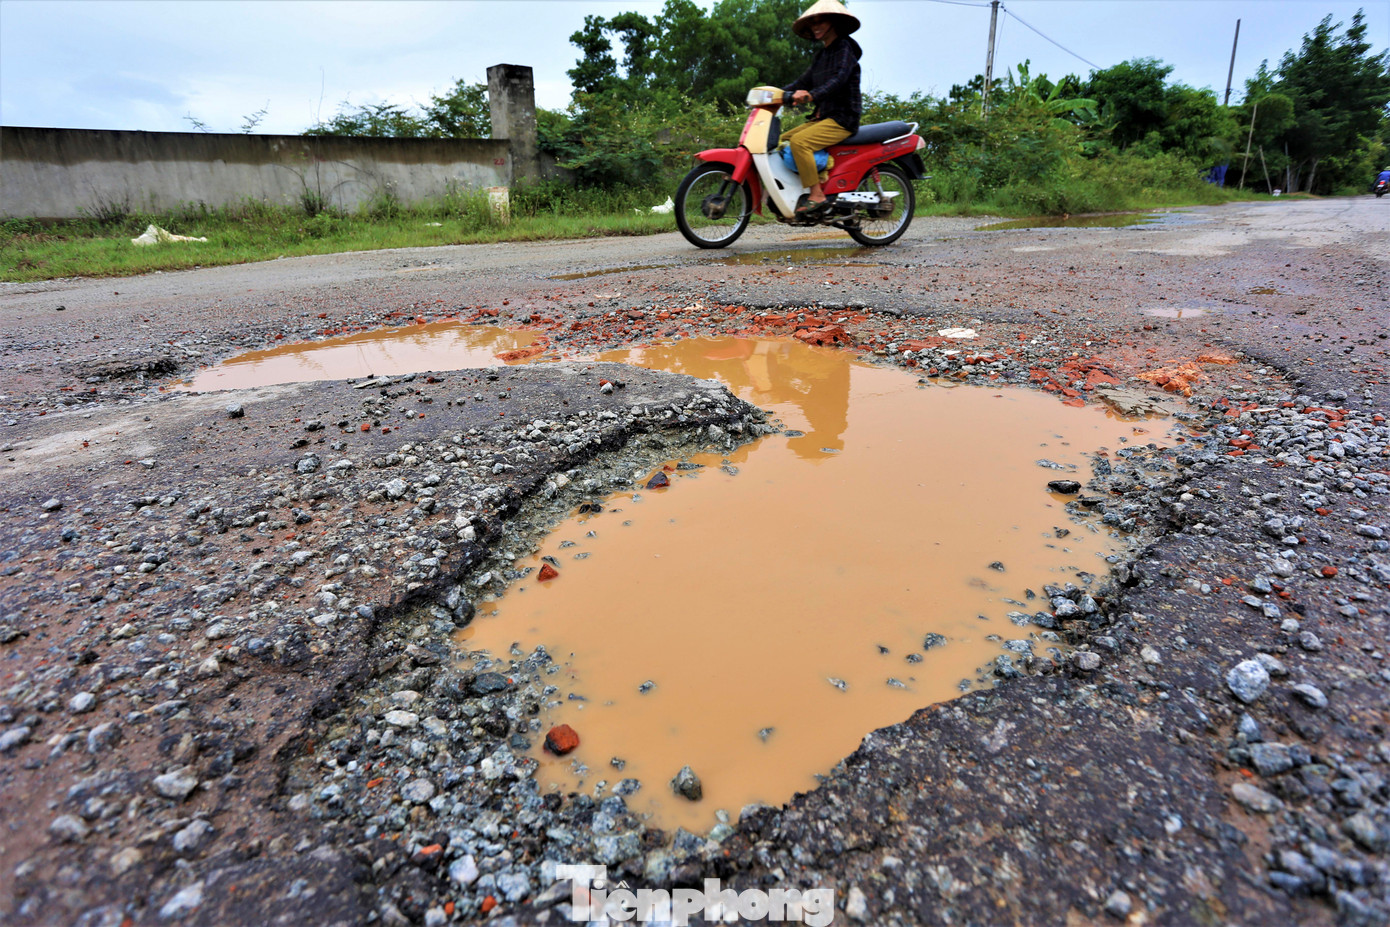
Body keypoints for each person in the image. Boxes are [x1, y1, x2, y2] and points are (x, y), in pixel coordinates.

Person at [780, 0, 862, 216]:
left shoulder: (845, 49)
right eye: (813, 23)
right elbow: (802, 82)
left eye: (821, 22)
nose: (815, 27)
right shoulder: (822, 56)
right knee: (779, 141)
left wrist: (812, 95)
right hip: (824, 118)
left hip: (843, 119)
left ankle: (817, 194)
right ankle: (803, 184)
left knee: (799, 142)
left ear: (833, 23)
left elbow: (838, 80)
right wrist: (775, 94)